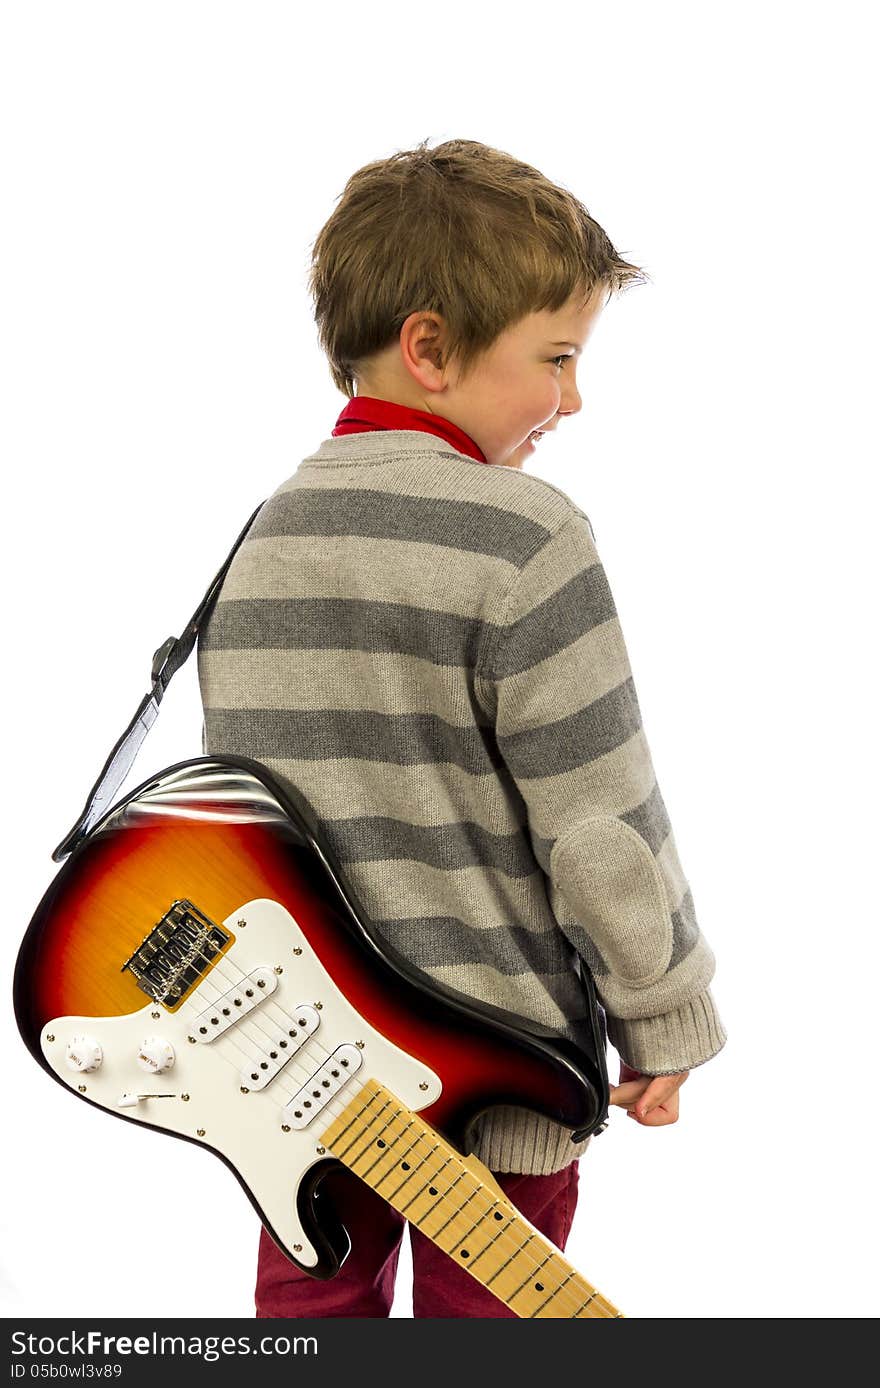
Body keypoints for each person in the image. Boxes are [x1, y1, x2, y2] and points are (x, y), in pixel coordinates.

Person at [196, 137, 727, 1317]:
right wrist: (660, 1006)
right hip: (499, 1080)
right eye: (556, 357)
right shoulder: (525, 537)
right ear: (430, 346)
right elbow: (600, 828)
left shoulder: (260, 542)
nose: (572, 398)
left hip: (301, 1085)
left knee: (306, 1324)